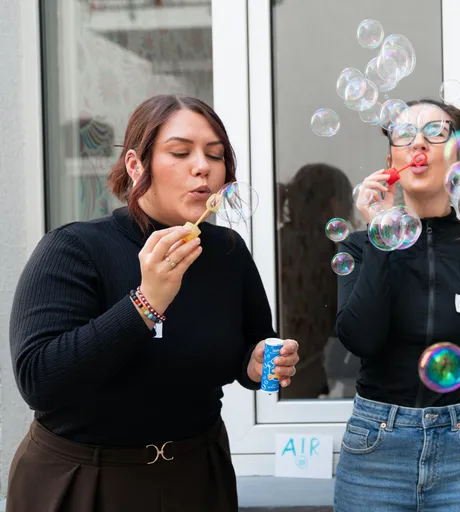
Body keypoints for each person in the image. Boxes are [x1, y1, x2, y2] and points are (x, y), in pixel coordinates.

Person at [7, 94, 300, 512]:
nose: (202, 166)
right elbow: (40, 380)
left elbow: (249, 347)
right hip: (85, 477)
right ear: (135, 165)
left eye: (214, 155)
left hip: (197, 474)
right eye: (180, 152)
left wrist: (254, 363)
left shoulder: (227, 252)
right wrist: (146, 302)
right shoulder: (75, 248)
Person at [332, 98, 460, 512]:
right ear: (391, 161)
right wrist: (383, 231)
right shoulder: (362, 247)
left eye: (435, 132)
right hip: (375, 444)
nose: (418, 142)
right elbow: (360, 340)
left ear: (458, 154)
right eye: (404, 134)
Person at [277, 163, 355, 398]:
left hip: (283, 370)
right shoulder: (328, 250)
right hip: (307, 369)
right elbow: (341, 318)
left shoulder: (277, 243)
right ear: (333, 204)